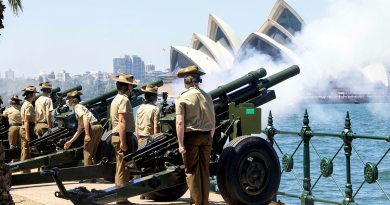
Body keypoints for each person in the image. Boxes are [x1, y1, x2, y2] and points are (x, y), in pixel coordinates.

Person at [175, 65, 216, 205]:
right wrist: (209, 137)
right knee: (204, 170)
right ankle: (204, 202)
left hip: (191, 137)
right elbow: (213, 122)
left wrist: (180, 144)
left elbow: (180, 123)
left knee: (192, 171)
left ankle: (196, 203)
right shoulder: (208, 96)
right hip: (207, 137)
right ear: (197, 81)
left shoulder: (182, 98)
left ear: (187, 82)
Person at [110, 73, 137, 205]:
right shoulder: (124, 100)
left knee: (120, 167)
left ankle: (120, 196)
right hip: (123, 136)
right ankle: (121, 199)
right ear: (127, 87)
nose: (132, 88)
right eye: (131, 85)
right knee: (123, 169)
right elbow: (121, 122)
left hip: (118, 136)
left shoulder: (116, 99)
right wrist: (123, 142)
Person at [63, 91, 103, 167]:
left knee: (87, 152)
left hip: (92, 128)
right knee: (93, 153)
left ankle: (87, 175)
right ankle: (93, 175)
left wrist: (87, 134)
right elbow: (79, 131)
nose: (67, 101)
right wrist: (70, 142)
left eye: (68, 99)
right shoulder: (80, 107)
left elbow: (85, 118)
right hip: (98, 127)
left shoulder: (77, 107)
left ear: (71, 100)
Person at [135, 84, 160, 149]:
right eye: (156, 95)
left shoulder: (139, 109)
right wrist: (156, 142)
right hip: (151, 140)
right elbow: (156, 127)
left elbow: (137, 127)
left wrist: (138, 140)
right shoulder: (155, 109)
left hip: (141, 139)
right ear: (153, 97)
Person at [20, 85, 38, 168]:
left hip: (25, 127)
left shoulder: (25, 104)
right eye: (34, 94)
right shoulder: (29, 105)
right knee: (26, 151)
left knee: (25, 150)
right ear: (31, 95)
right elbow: (27, 121)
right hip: (27, 128)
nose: (35, 96)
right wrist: (27, 135)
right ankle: (25, 170)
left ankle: (24, 169)